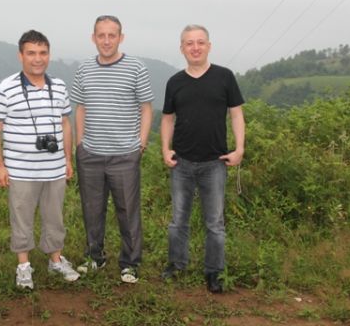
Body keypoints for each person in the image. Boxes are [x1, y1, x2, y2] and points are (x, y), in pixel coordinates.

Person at [0, 30, 79, 289]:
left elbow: (65, 124)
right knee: (21, 218)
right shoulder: (5, 87)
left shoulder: (59, 86)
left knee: (54, 217)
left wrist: (68, 159)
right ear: (21, 56)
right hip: (20, 169)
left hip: (54, 168)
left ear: (49, 55)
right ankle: (23, 266)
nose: (37, 59)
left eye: (42, 53)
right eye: (31, 53)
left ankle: (56, 260)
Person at [160, 24, 245, 293]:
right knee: (178, 221)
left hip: (215, 162)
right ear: (182, 48)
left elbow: (236, 114)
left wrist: (239, 148)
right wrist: (165, 149)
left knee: (215, 223)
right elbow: (167, 119)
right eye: (189, 43)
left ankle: (214, 272)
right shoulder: (174, 82)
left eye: (200, 42)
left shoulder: (224, 77)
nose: (195, 47)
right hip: (182, 162)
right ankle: (177, 265)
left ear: (209, 46)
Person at [71, 15, 154, 283]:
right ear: (93, 38)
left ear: (121, 38)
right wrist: (80, 145)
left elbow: (146, 108)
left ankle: (130, 263)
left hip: (125, 155)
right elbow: (80, 107)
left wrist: (140, 144)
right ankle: (95, 257)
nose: (106, 41)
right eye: (101, 35)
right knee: (92, 210)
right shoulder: (84, 68)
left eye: (112, 35)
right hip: (90, 154)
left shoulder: (136, 67)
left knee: (128, 212)